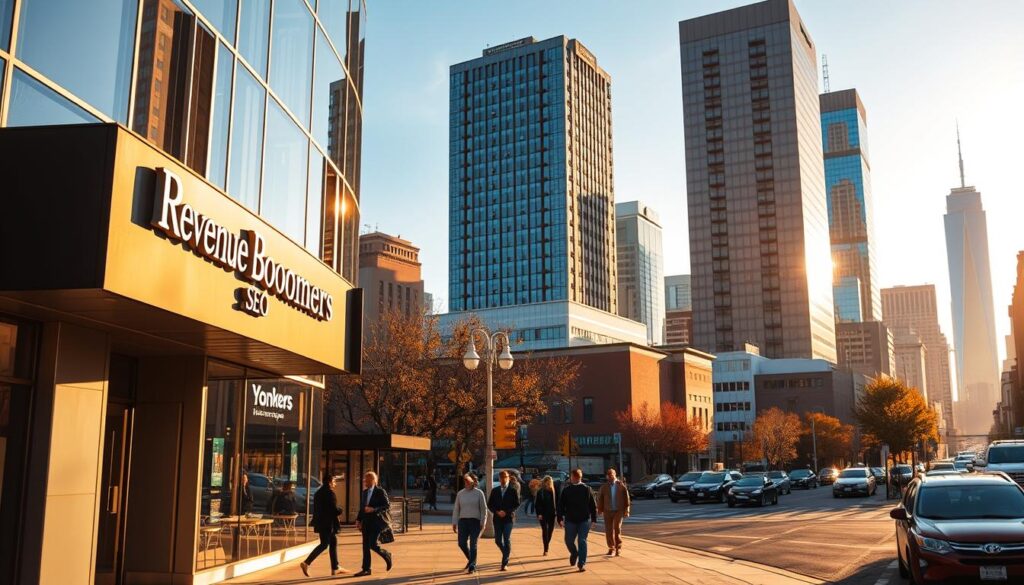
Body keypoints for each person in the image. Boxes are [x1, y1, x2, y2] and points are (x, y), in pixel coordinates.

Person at [300, 473, 344, 576]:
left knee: (333, 542)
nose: (334, 484)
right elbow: (333, 510)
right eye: (333, 482)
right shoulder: (330, 493)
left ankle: (335, 567)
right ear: (329, 482)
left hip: (321, 523)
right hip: (328, 524)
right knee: (324, 544)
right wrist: (340, 510)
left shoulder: (318, 493)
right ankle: (306, 563)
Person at [354, 471, 393, 577]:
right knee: (365, 547)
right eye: (364, 479)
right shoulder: (365, 492)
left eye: (366, 479)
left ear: (372, 480)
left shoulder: (380, 491)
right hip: (366, 522)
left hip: (376, 523)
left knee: (373, 544)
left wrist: (374, 509)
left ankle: (387, 555)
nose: (364, 481)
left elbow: (387, 505)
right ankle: (366, 569)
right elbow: (362, 507)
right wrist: (358, 520)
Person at [557, 468, 597, 572]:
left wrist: (593, 520)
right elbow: (561, 505)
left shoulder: (587, 489)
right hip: (570, 520)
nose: (571, 478)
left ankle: (581, 563)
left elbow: (592, 505)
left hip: (584, 520)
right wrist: (560, 518)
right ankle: (574, 553)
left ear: (576, 477)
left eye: (572, 476)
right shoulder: (567, 490)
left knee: (582, 541)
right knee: (569, 541)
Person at [452, 473, 488, 573]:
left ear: (473, 482)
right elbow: (456, 509)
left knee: (473, 544)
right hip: (463, 522)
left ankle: (472, 565)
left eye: (468, 481)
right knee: (461, 543)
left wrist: (483, 522)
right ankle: (471, 559)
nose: (466, 482)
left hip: (475, 522)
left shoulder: (479, 493)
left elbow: (483, 509)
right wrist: (454, 522)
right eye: (465, 481)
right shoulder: (460, 493)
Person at [487, 470, 520, 571]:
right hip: (497, 519)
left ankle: (504, 562)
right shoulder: (495, 490)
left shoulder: (512, 490)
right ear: (499, 479)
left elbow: (517, 504)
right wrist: (496, 511)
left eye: (505, 477)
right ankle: (506, 553)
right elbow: (490, 504)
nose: (503, 479)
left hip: (508, 518)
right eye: (501, 477)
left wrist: (506, 512)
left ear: (508, 478)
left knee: (506, 539)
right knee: (497, 540)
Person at [596, 468, 630, 556]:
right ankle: (611, 547)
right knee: (608, 530)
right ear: (607, 477)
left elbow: (627, 498)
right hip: (607, 511)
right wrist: (599, 509)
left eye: (612, 475)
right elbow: (600, 498)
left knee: (617, 528)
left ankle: (618, 547)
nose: (610, 477)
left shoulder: (621, 485)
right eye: (609, 475)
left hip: (619, 510)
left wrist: (627, 509)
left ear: (615, 475)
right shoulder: (604, 487)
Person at [533, 475, 558, 555]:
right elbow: (537, 504)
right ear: (544, 483)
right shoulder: (541, 491)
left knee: (550, 531)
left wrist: (559, 513)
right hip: (543, 514)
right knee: (545, 531)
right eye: (547, 482)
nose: (548, 484)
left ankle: (546, 544)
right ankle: (546, 549)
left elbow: (557, 503)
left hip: (552, 514)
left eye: (550, 482)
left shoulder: (554, 491)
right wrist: (539, 513)